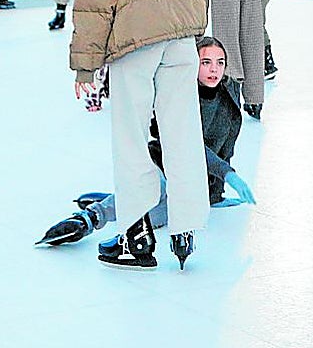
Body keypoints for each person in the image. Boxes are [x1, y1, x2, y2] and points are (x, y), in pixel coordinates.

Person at [70, 0, 210, 270]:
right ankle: (185, 228)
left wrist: (85, 65)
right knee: (182, 130)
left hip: (135, 41)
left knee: (131, 137)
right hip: (181, 37)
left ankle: (136, 237)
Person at [36, 37, 256, 251]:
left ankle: (119, 202)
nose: (214, 70)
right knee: (159, 198)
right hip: (161, 164)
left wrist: (215, 196)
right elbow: (191, 144)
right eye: (205, 62)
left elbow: (225, 146)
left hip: (190, 178)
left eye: (220, 63)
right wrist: (227, 174)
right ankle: (88, 219)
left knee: (167, 210)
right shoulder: (179, 94)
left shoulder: (229, 96)